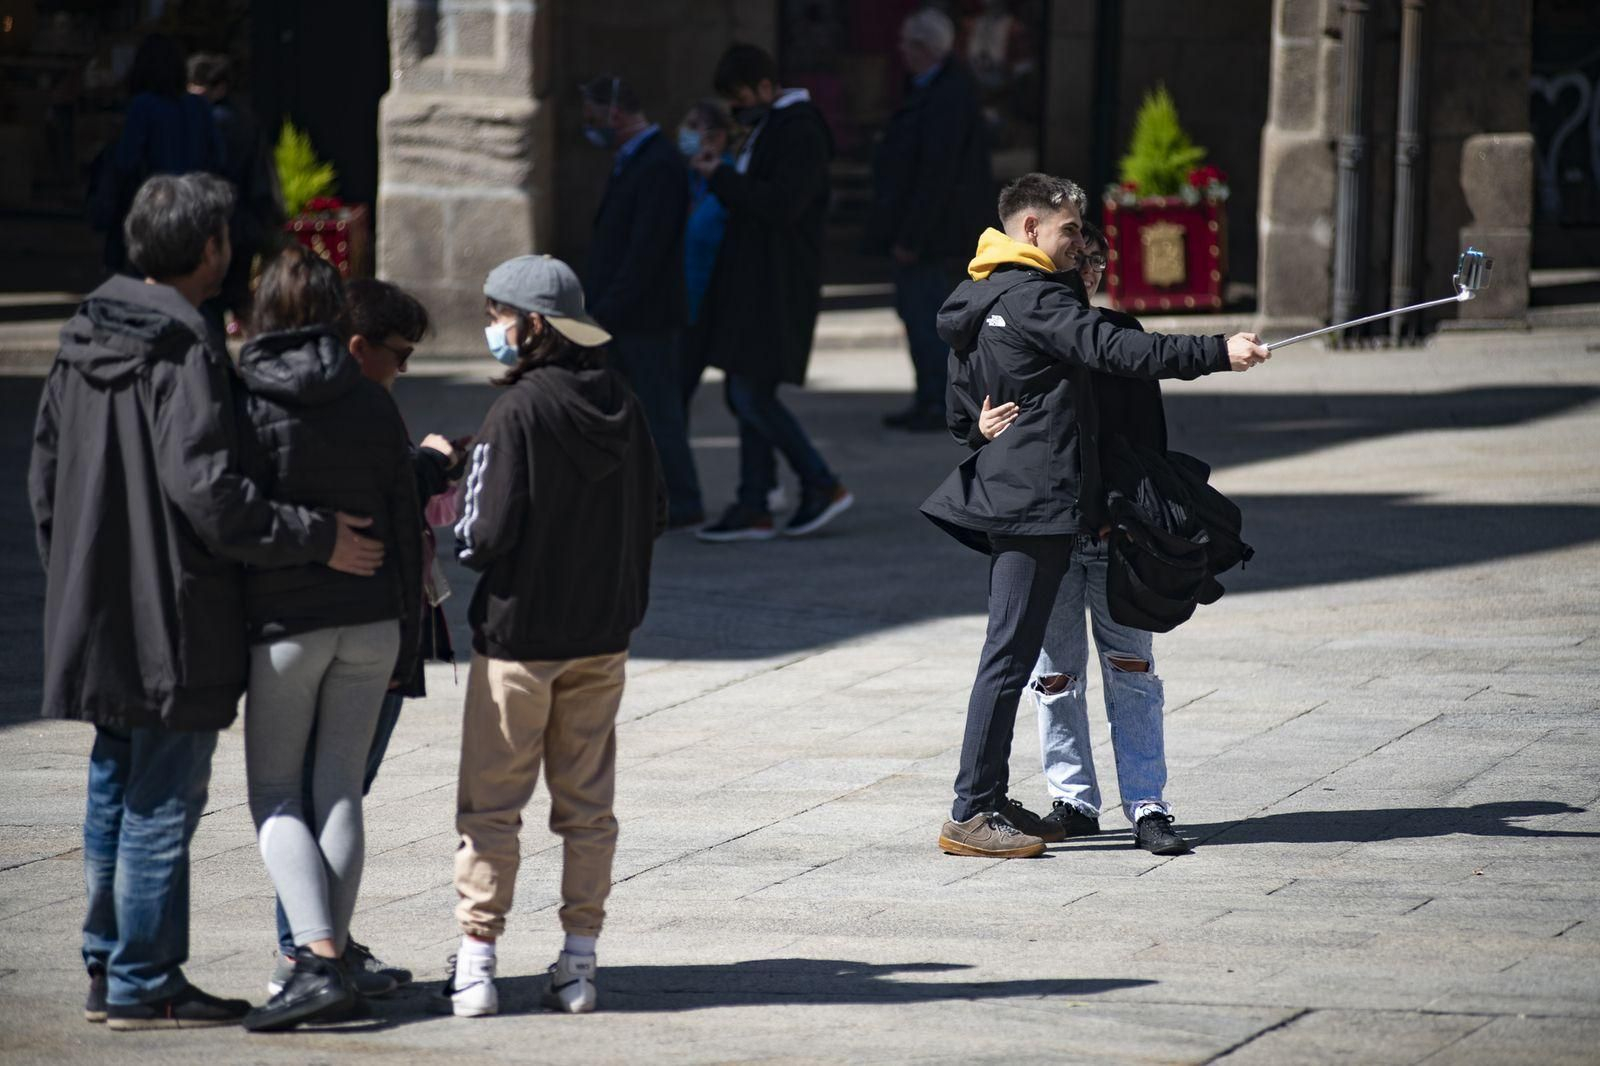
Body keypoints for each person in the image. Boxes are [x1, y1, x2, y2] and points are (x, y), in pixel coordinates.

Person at [28, 173, 383, 1031]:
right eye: (225, 238)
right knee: (164, 791)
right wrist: (313, 536)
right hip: (172, 610)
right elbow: (208, 490)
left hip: (97, 600)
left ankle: (109, 964)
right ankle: (146, 977)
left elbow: (44, 471)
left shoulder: (85, 327)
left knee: (115, 778)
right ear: (209, 249)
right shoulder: (183, 345)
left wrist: (72, 574)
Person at [921, 173, 1270, 858]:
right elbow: (1116, 351)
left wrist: (977, 427)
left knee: (1048, 660)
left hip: (1052, 508)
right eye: (1070, 231)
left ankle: (1007, 801)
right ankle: (973, 809)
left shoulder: (985, 293)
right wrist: (1217, 351)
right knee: (1015, 661)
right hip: (1038, 509)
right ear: (1031, 230)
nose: (1082, 244)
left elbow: (963, 403)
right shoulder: (1032, 297)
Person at [440, 255, 666, 1018]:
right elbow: (658, 511)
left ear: (533, 325)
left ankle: (476, 961)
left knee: (490, 807)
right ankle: (579, 962)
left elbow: (482, 532)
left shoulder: (519, 411)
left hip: (518, 639)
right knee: (588, 807)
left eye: (499, 315)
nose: (493, 329)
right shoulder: (624, 405)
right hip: (603, 635)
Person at [235, 246, 423, 1032]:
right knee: (339, 791)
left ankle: (313, 958)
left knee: (278, 795)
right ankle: (334, 955)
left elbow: (229, 509)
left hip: (286, 624)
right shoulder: (371, 398)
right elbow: (407, 520)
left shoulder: (243, 393)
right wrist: (407, 638)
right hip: (373, 617)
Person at [264, 277, 460, 999]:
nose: (404, 369)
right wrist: (431, 465)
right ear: (357, 346)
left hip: (310, 624)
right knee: (324, 795)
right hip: (364, 624)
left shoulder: (270, 395)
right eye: (400, 355)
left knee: (312, 794)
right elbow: (375, 493)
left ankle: (321, 946)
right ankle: (311, 953)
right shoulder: (355, 408)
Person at [973, 222, 1190, 856]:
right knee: (1055, 675)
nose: (1089, 271)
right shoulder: (1026, 330)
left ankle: (1147, 803)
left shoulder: (1118, 336)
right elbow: (970, 407)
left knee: (1132, 668)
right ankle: (1073, 800)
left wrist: (1136, 514)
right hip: (1050, 531)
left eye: (1098, 261)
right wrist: (976, 426)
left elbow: (1148, 439)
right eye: (1080, 259)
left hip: (1115, 528)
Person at [690, 43, 853, 541]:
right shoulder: (771, 126)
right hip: (755, 281)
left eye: (742, 96)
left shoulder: (798, 128)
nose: (739, 108)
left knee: (750, 393)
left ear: (766, 87)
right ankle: (753, 500)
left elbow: (782, 204)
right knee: (745, 388)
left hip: (776, 283)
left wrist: (720, 178)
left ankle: (818, 482)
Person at [581, 74, 704, 529]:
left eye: (594, 116)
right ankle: (647, 497)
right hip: (627, 315)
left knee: (659, 413)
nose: (589, 126)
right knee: (629, 412)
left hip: (646, 317)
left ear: (615, 114)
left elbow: (645, 252)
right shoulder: (634, 159)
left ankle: (683, 501)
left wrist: (605, 310)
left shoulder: (658, 164)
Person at [872, 8, 993, 432]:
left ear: (924, 48)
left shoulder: (947, 94)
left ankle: (939, 404)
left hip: (935, 235)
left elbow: (936, 176)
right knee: (917, 314)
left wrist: (912, 237)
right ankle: (928, 398)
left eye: (908, 43)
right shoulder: (930, 87)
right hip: (928, 229)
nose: (901, 51)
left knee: (928, 318)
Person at [91, 35, 222, 276]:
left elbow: (126, 161)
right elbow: (218, 159)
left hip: (153, 209)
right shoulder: (199, 106)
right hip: (194, 209)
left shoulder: (143, 106)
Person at [187, 53, 282, 331]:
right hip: (247, 217)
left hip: (222, 218)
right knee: (239, 294)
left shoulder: (214, 121)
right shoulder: (244, 117)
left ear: (218, 87)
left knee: (213, 295)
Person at [676, 99, 738, 407]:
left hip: (715, 301)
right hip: (684, 302)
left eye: (693, 128)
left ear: (717, 136)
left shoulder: (730, 180)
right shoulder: (685, 178)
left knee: (745, 401)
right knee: (675, 395)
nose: (685, 135)